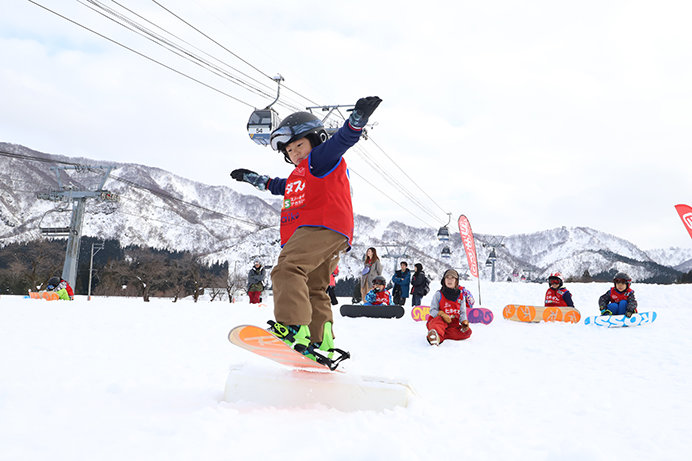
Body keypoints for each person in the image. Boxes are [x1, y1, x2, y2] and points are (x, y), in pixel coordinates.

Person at [230, 96, 382, 366]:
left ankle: (291, 326)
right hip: (332, 232)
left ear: (316, 140)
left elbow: (342, 141)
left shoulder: (320, 159)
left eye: (299, 145)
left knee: (287, 269)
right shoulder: (298, 175)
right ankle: (320, 340)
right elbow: (277, 185)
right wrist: (252, 178)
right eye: (289, 151)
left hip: (321, 226)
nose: (295, 153)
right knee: (315, 287)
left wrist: (357, 121)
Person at [425, 269, 473, 346]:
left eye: (452, 278)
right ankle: (436, 334)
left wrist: (464, 322)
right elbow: (432, 311)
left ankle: (438, 335)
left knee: (467, 332)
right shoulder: (438, 294)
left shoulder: (461, 296)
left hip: (453, 324)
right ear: (444, 280)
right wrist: (442, 314)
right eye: (447, 277)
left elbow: (462, 312)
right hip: (439, 322)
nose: (449, 280)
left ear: (456, 281)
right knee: (437, 322)